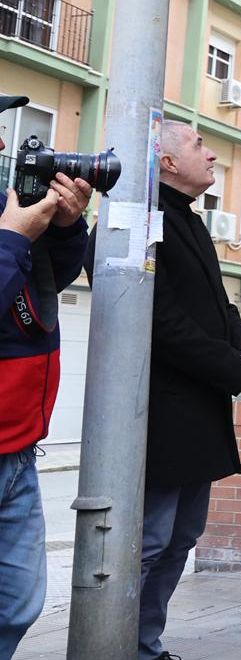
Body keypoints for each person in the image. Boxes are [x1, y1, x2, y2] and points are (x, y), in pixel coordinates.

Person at [132, 121, 241, 660]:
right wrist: (234, 370)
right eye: (198, 146)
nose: (212, 155)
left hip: (200, 416)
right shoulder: (143, 220)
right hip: (160, 419)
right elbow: (160, 322)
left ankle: (145, 646)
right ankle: (115, 644)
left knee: (181, 540)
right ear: (166, 162)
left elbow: (220, 306)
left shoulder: (189, 221)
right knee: (147, 545)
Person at [0, 92, 92, 660]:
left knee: (17, 601)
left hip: (17, 450)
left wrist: (61, 228)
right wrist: (13, 237)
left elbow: (44, 289)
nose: (3, 145)